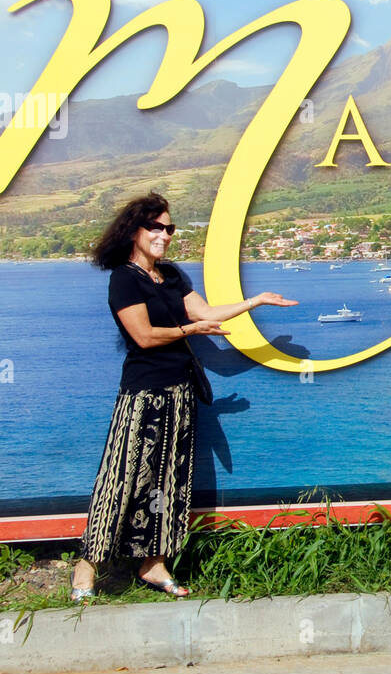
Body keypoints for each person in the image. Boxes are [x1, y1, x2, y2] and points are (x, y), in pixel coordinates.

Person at [70, 192, 296, 600]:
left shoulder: (171, 276)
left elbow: (205, 313)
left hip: (180, 393)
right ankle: (86, 569)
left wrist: (256, 301)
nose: (164, 235)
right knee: (122, 479)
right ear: (134, 232)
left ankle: (153, 565)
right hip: (143, 394)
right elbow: (143, 336)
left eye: (169, 228)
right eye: (155, 227)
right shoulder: (123, 279)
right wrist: (189, 333)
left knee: (169, 483)